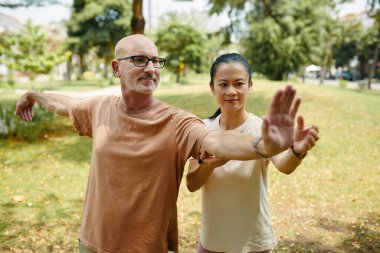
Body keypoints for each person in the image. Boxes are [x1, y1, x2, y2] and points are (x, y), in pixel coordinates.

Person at [15, 35, 302, 253]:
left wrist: (262, 146)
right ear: (117, 68)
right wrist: (34, 95)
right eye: (140, 60)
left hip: (147, 246)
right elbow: (67, 104)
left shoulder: (176, 121)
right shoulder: (99, 107)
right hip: (92, 243)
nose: (151, 68)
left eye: (155, 61)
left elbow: (216, 139)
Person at [186, 53, 319, 253]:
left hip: (255, 243)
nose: (232, 91)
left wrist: (296, 151)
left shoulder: (261, 129)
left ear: (249, 85)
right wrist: (209, 165)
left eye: (239, 83)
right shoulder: (203, 129)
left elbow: (284, 165)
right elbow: (192, 183)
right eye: (223, 84)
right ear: (212, 87)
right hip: (212, 242)